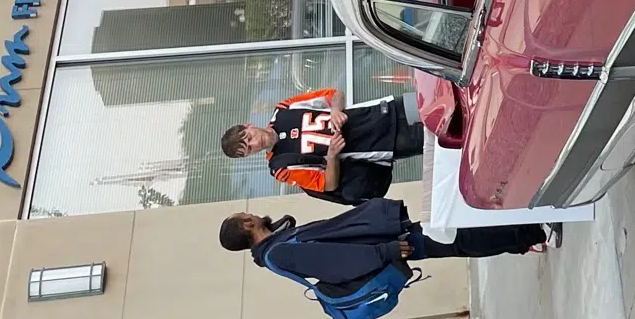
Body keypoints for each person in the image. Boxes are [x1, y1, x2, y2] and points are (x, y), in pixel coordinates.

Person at [220, 197, 556, 273]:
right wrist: (387, 251)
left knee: (457, 237)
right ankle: (529, 234)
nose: (251, 213)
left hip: (389, 240)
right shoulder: (278, 254)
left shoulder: (277, 246)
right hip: (391, 246)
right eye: (244, 216)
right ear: (247, 226)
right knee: (460, 240)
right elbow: (334, 261)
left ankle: (525, 235)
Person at [222, 88, 423, 205]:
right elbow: (329, 185)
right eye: (249, 148)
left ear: (248, 125)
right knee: (444, 133)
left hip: (382, 110)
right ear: (249, 155)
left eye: (249, 137)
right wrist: (333, 155)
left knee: (440, 99)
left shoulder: (284, 109)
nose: (256, 143)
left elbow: (333, 94)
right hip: (382, 145)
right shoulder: (281, 168)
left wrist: (335, 110)